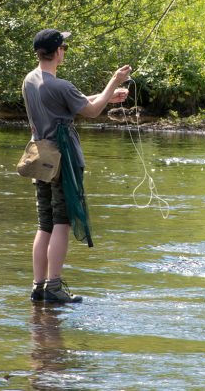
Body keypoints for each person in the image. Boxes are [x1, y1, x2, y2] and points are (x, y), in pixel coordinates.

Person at [22, 28, 131, 304]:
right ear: (58, 52)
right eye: (64, 48)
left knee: (44, 223)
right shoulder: (60, 85)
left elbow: (71, 102)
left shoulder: (30, 80)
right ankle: (55, 286)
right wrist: (114, 81)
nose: (64, 52)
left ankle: (38, 286)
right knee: (62, 221)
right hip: (64, 160)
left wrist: (107, 95)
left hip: (40, 159)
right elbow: (90, 111)